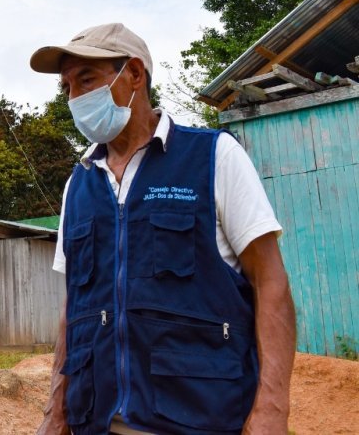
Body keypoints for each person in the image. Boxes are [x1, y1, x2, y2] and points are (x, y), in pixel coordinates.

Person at [29, 23, 296, 435]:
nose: (75, 99)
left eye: (87, 80)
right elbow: (73, 309)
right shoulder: (78, 184)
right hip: (95, 422)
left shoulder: (213, 157)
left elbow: (271, 281)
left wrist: (273, 409)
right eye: (68, 87)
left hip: (201, 419)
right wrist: (55, 410)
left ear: (134, 75)